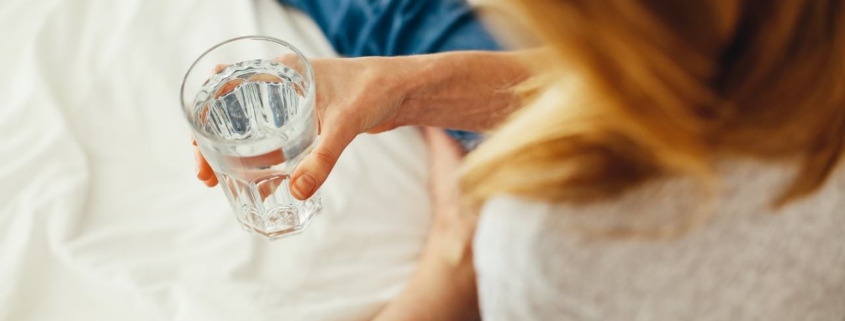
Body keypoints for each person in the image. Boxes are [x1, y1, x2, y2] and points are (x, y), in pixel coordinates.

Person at [196, 0, 845, 320]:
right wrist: (405, 87)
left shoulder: (552, 242)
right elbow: (691, 88)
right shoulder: (799, 41)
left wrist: (454, 256)